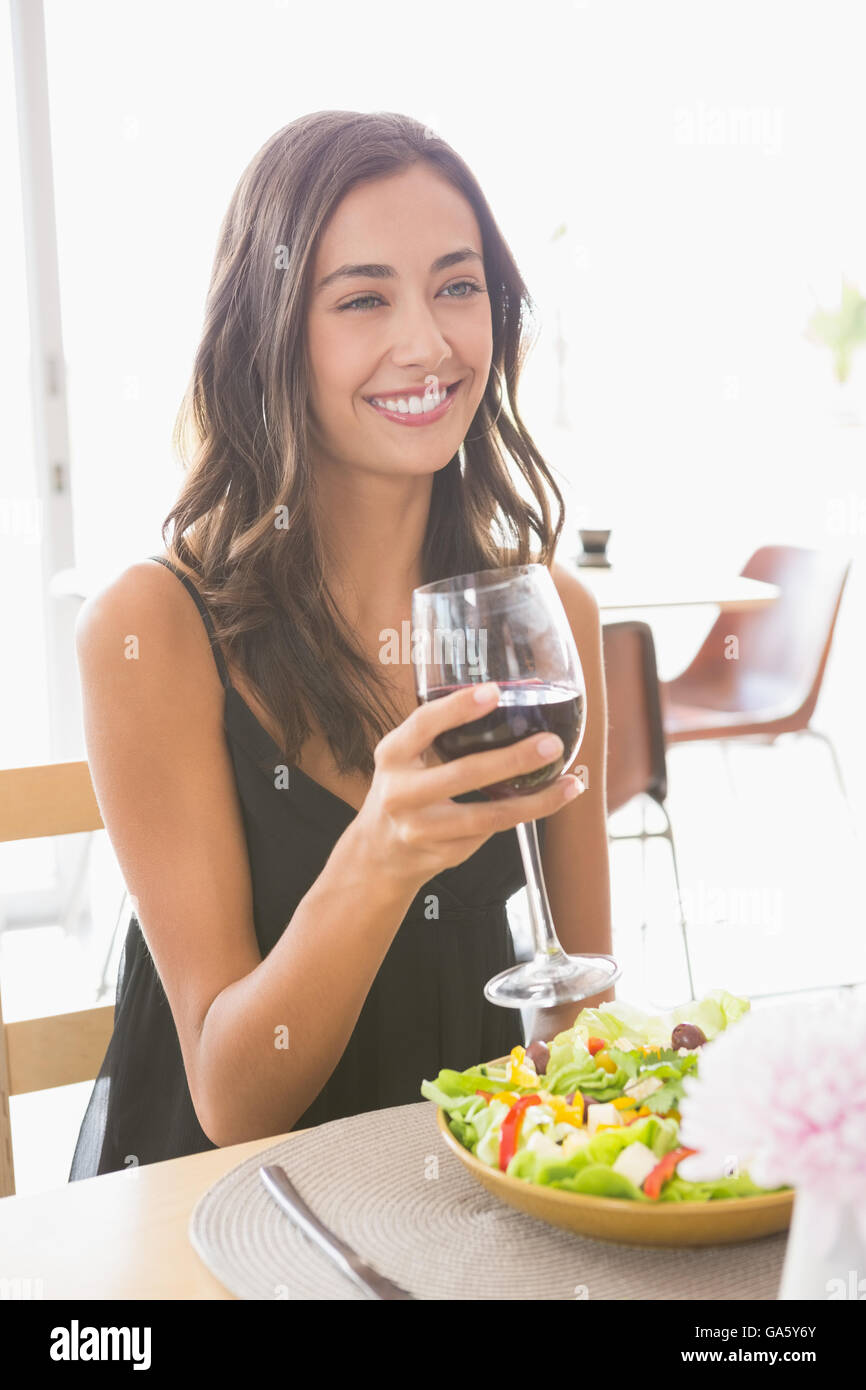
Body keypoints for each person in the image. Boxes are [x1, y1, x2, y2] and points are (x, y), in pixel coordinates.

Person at [68, 111, 612, 1180]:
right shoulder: (151, 630)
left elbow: (580, 1008)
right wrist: (382, 852)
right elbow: (232, 1095)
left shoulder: (548, 615)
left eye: (456, 286)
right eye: (363, 298)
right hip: (239, 1220)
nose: (428, 342)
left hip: (476, 1203)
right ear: (267, 331)